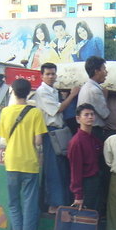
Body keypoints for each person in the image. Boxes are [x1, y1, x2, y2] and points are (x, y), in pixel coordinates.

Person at [0, 78, 47, 230]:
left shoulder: (5, 112)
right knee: (30, 206)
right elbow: (38, 141)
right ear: (29, 92)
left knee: (13, 205)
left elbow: (5, 137)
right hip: (30, 164)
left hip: (11, 163)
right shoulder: (35, 113)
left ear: (13, 91)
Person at [34, 63, 80, 213]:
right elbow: (58, 109)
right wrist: (72, 95)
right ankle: (54, 204)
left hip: (60, 131)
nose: (51, 76)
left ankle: (61, 202)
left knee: (62, 167)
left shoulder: (53, 91)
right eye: (47, 74)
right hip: (50, 131)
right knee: (53, 168)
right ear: (42, 76)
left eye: (53, 74)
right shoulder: (42, 92)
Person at [67, 103, 105, 230]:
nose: (90, 117)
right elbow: (75, 171)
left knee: (93, 218)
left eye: (92, 114)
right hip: (85, 184)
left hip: (95, 181)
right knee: (83, 220)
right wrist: (78, 195)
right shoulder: (76, 142)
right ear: (78, 118)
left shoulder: (92, 138)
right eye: (86, 115)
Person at [77, 56, 110, 140]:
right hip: (94, 130)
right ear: (97, 72)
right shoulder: (94, 90)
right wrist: (105, 96)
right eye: (104, 69)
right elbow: (105, 114)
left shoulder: (86, 87)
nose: (106, 73)